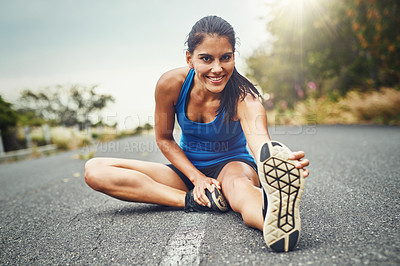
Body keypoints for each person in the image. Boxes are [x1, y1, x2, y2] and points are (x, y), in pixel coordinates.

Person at [84, 15, 310, 252]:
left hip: (232, 166)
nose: (217, 68)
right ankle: (194, 201)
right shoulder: (170, 84)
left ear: (234, 56)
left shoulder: (245, 98)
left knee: (239, 188)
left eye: (226, 58)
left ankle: (273, 218)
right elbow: (164, 138)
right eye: (206, 59)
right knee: (95, 170)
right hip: (188, 171)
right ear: (189, 58)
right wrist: (197, 179)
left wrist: (277, 161)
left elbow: (260, 142)